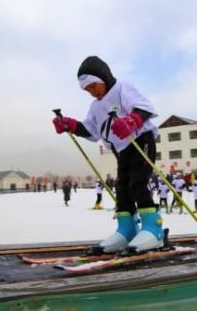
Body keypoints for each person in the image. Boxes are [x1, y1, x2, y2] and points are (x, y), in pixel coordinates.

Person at [52, 56, 163, 253]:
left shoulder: (121, 89)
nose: (92, 92)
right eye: (87, 90)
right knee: (122, 188)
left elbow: (144, 107)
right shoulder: (95, 107)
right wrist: (70, 125)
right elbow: (91, 130)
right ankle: (126, 230)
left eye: (93, 86)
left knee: (137, 183)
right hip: (121, 149)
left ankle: (153, 230)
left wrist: (132, 121)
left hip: (141, 140)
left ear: (104, 77)